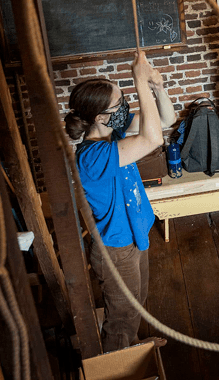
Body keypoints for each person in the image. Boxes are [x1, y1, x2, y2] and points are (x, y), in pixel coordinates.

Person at [64, 51, 176, 352]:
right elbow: (153, 140)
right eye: (120, 103)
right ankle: (118, 363)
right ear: (100, 117)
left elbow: (166, 119)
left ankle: (134, 345)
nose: (125, 106)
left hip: (134, 236)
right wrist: (139, 79)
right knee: (121, 315)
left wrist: (157, 88)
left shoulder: (116, 131)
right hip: (115, 248)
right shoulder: (91, 157)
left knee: (135, 301)